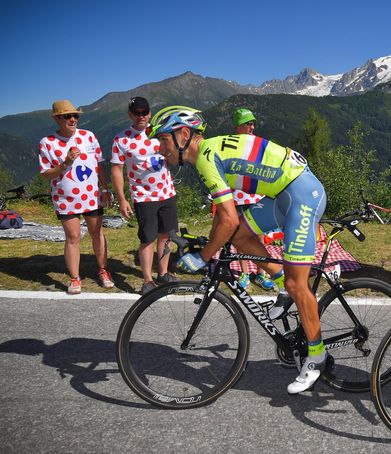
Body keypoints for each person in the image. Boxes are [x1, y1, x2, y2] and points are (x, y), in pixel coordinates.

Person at [148, 106, 329, 394]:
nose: (160, 150)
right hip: (285, 193)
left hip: (302, 194)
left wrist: (205, 255)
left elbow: (228, 217)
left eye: (162, 141)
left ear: (183, 135)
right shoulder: (208, 153)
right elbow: (226, 220)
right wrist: (205, 243)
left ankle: (317, 356)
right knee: (241, 235)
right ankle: (282, 280)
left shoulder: (206, 158)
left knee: (299, 284)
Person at [39, 100, 114, 294]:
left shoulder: (89, 136)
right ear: (57, 119)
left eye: (76, 116)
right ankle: (75, 278)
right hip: (66, 199)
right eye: (67, 116)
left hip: (92, 195)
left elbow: (99, 164)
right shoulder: (48, 142)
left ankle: (104, 271)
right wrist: (65, 163)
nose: (73, 119)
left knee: (97, 233)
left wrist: (105, 189)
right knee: (72, 237)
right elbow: (45, 173)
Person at [111, 97, 178, 295]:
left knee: (167, 235)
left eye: (144, 112)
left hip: (167, 193)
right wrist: (122, 199)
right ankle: (148, 280)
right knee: (148, 238)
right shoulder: (121, 139)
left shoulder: (161, 133)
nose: (141, 116)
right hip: (143, 197)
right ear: (130, 115)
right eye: (136, 113)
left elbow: (174, 157)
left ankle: (163, 273)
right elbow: (116, 169)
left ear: (149, 113)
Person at [231, 108, 274, 292]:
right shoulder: (231, 144)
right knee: (241, 237)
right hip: (238, 197)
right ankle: (245, 273)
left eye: (253, 123)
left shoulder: (259, 142)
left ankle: (262, 272)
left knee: (259, 236)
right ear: (238, 126)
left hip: (256, 195)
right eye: (247, 123)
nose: (251, 126)